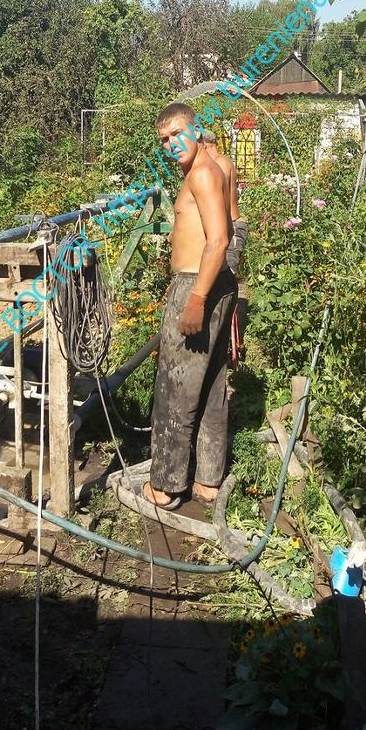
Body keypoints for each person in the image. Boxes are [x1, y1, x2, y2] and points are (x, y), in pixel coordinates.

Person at [144, 103, 237, 509]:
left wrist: (196, 298)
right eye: (164, 139)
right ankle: (208, 481)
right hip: (213, 282)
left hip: (195, 283)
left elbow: (218, 239)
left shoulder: (201, 173)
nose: (171, 144)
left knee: (174, 389)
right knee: (213, 384)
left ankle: (165, 486)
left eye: (178, 133)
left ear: (196, 130)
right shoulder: (212, 167)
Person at [202, 129, 248, 276]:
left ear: (204, 145)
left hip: (230, 226)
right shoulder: (224, 161)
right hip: (230, 224)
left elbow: (216, 197)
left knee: (223, 279)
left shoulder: (218, 163)